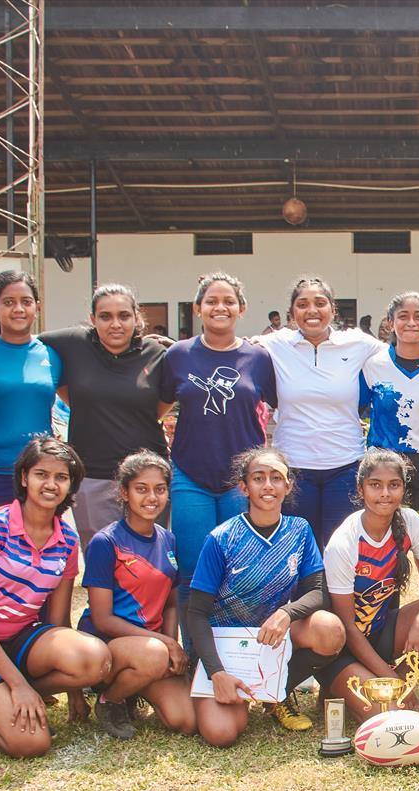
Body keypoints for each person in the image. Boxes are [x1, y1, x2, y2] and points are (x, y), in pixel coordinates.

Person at [0, 437, 111, 758]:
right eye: (42, 474)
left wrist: (73, 692)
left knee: (93, 660)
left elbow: (57, 623)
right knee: (31, 743)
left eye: (62, 477)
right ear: (24, 477)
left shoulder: (67, 540)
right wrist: (18, 685)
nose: (51, 484)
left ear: (72, 486)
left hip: (17, 639)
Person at [0, 283, 174, 547]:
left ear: (136, 317)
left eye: (124, 316)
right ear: (92, 319)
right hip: (92, 476)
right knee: (102, 560)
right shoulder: (73, 343)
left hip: (148, 476)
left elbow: (158, 409)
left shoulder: (157, 353)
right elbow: (22, 335)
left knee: (150, 560)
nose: (115, 324)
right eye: (105, 316)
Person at [159, 272, 279, 695]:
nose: (220, 308)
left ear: (241, 309)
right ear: (197, 308)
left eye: (229, 301)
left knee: (243, 574)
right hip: (190, 476)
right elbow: (157, 408)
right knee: (193, 574)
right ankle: (198, 662)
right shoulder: (177, 356)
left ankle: (247, 659)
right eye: (211, 301)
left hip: (239, 484)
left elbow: (276, 408)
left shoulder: (258, 358)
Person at [181, 446, 345, 747]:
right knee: (222, 733)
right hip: (227, 649)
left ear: (288, 485)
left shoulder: (299, 530)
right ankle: (221, 685)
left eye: (275, 477)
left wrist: (287, 613)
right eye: (258, 478)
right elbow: (196, 612)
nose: (268, 485)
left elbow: (319, 592)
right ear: (244, 487)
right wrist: (216, 672)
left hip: (272, 640)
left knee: (329, 629)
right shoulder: (222, 538)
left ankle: (277, 694)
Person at [323, 450, 419, 725]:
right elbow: (346, 626)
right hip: (344, 648)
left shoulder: (408, 520)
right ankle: (348, 685)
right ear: (361, 489)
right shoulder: (344, 543)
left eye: (394, 485)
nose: (385, 493)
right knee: (391, 714)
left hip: (380, 633)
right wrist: (391, 681)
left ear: (404, 488)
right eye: (375, 485)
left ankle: (397, 676)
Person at [77, 451, 197, 740]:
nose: (151, 497)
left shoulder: (168, 539)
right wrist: (165, 643)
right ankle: (111, 699)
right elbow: (102, 619)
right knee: (153, 655)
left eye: (159, 489)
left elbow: (170, 602)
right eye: (141, 489)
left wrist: (172, 648)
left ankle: (136, 687)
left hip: (152, 648)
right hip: (109, 645)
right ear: (124, 492)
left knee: (187, 721)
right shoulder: (106, 542)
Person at [258, 276, 381, 547]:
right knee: (297, 551)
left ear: (333, 310)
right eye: (302, 304)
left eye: (320, 303)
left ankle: (335, 593)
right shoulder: (275, 344)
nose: (312, 310)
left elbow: (398, 358)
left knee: (339, 551)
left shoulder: (358, 343)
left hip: (345, 466)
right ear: (292, 313)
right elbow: (232, 348)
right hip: (292, 468)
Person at [359, 291, 419, 581]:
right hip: (384, 467)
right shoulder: (373, 366)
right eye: (403, 316)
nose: (411, 322)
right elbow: (358, 408)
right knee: (383, 560)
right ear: (391, 323)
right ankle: (384, 624)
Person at [0, 271, 60, 517]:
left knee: (41, 550)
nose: (18, 309)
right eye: (9, 302)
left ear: (37, 307)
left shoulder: (52, 354)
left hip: (41, 474)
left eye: (26, 302)